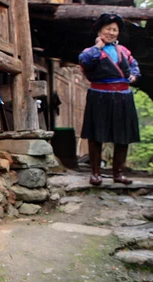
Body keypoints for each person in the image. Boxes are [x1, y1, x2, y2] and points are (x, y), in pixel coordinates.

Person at [78, 13, 140, 185]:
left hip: (122, 97)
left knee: (123, 136)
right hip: (99, 96)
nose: (112, 33)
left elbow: (135, 67)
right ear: (99, 30)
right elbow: (85, 61)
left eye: (115, 30)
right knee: (96, 135)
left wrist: (133, 76)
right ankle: (95, 173)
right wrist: (98, 46)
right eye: (108, 29)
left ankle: (118, 173)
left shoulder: (124, 51)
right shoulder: (90, 51)